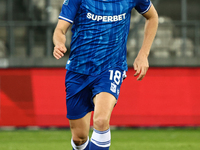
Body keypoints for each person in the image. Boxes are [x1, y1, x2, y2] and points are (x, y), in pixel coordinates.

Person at [53, 0, 158, 149]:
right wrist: (59, 43)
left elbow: (152, 17)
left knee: (101, 120)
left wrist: (143, 54)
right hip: (78, 69)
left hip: (111, 67)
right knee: (79, 138)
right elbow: (60, 30)